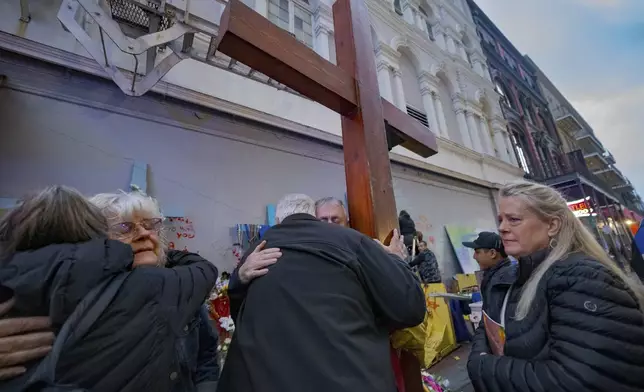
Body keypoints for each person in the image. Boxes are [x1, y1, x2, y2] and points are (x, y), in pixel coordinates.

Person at [0, 186, 218, 391]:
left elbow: (206, 354)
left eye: (150, 225)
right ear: (98, 243)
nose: (144, 233)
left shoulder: (178, 288)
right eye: (125, 227)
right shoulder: (76, 295)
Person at [218, 194, 426, 392]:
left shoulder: (257, 252)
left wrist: (239, 278)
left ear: (277, 220)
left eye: (335, 219)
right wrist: (397, 260)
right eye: (324, 219)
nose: (328, 224)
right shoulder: (354, 243)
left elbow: (238, 312)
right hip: (352, 376)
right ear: (313, 216)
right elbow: (410, 307)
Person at [467, 181, 644, 392]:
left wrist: (481, 366)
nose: (502, 228)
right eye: (501, 220)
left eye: (514, 219)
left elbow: (577, 381)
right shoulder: (512, 277)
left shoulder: (585, 278)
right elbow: (488, 324)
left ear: (552, 225)